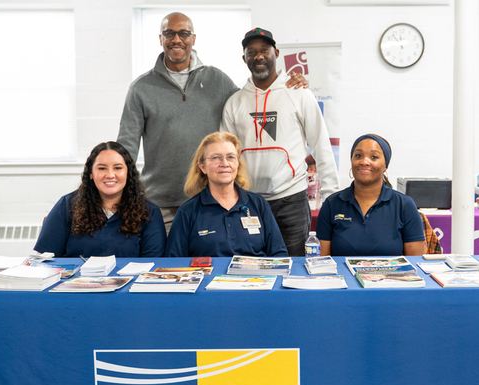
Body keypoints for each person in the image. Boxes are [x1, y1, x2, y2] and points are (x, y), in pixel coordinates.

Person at [117, 13, 307, 231]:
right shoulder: (141, 88)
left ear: (193, 39)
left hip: (210, 201)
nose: (176, 39)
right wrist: (124, 197)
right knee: (166, 264)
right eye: (169, 33)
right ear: (160, 39)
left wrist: (288, 84)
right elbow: (126, 148)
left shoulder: (217, 80)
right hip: (161, 204)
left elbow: (251, 104)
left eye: (184, 33)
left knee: (210, 263)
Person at [220, 27, 339, 256]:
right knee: (250, 268)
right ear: (243, 58)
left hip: (291, 200)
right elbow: (227, 155)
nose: (258, 56)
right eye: (251, 52)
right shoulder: (234, 102)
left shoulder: (299, 93)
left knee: (292, 266)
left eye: (264, 50)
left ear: (276, 52)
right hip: (248, 201)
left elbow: (321, 145)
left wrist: (332, 197)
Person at [34, 142, 166, 258]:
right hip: (77, 284)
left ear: (128, 173)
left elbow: (152, 264)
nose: (110, 175)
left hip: (130, 285)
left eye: (118, 168)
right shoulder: (66, 206)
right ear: (91, 173)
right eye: (102, 168)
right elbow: (47, 259)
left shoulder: (150, 212)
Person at [166, 132, 287, 258]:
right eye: (215, 158)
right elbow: (174, 261)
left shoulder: (258, 204)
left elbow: (278, 253)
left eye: (230, 157)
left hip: (256, 277)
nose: (225, 163)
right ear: (203, 167)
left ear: (237, 163)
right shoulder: (187, 211)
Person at [316, 134, 425, 257]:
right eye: (358, 156)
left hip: (391, 276)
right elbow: (322, 262)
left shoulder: (404, 205)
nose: (364, 162)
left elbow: (415, 263)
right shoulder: (332, 204)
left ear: (385, 166)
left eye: (374, 157)